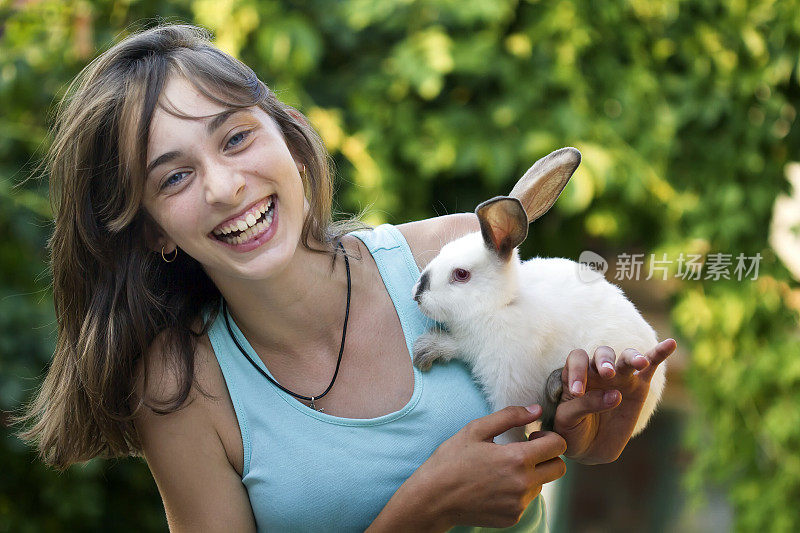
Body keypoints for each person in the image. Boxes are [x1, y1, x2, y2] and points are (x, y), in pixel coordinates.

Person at [17, 23, 676, 531]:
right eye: (175, 177)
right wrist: (422, 508)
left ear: (289, 136)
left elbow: (584, 444)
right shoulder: (182, 384)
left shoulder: (452, 261)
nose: (223, 185)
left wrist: (594, 414)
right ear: (155, 230)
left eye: (236, 138)